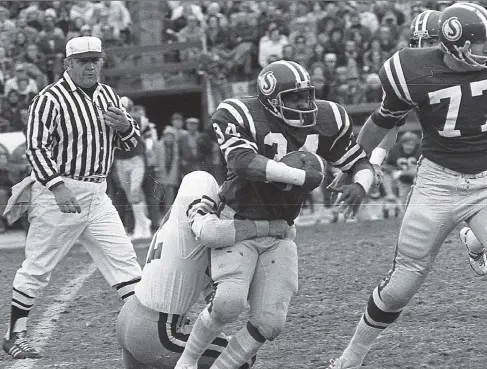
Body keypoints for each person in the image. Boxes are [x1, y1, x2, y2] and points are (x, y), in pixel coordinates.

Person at [327, 4, 487, 369]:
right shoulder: (411, 70)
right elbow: (383, 121)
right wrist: (355, 164)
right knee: (400, 287)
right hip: (437, 181)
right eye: (481, 45)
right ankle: (351, 356)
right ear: (454, 46)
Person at [174, 60, 375, 369]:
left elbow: (359, 162)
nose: (303, 104)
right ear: (270, 99)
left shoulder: (327, 117)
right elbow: (242, 162)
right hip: (238, 218)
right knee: (227, 305)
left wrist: (360, 186)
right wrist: (298, 176)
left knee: (270, 323)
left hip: (281, 228)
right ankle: (186, 364)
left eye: (306, 96)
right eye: (292, 98)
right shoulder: (240, 113)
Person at [369, 8, 487, 321]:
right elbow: (388, 121)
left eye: (430, 40)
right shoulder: (416, 73)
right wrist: (374, 159)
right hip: (441, 164)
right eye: (418, 42)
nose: (424, 48)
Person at [2, 36, 143, 360]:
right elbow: (35, 147)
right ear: (68, 64)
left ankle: (145, 333)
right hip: (58, 194)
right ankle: (14, 335)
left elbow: (129, 143)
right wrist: (56, 185)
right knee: (38, 267)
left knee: (126, 263)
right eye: (83, 61)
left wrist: (125, 126)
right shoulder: (49, 99)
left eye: (96, 59)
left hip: (97, 192)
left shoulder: (108, 94)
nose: (91, 66)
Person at [116, 170, 294, 369]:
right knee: (242, 360)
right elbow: (211, 233)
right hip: (157, 333)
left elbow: (207, 285)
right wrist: (267, 228)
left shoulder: (176, 224)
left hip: (128, 316)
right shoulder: (203, 206)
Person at [113, 96, 152, 241]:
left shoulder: (138, 118)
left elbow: (148, 134)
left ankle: (143, 226)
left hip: (135, 159)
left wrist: (148, 148)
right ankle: (142, 223)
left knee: (135, 191)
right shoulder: (111, 119)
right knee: (130, 195)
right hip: (120, 161)